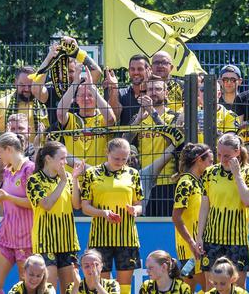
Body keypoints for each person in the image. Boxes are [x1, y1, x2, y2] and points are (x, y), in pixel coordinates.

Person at [77, 139, 144, 293]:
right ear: (107, 153)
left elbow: (139, 204)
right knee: (103, 284)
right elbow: (85, 207)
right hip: (100, 237)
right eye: (116, 158)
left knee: (124, 287)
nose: (120, 162)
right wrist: (103, 213)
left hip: (127, 237)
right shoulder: (91, 173)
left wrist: (135, 210)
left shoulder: (133, 174)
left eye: (124, 159)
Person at [197, 133, 249, 287]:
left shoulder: (248, 171)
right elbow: (204, 206)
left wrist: (237, 175)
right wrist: (199, 236)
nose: (222, 159)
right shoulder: (210, 173)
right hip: (212, 240)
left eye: (227, 155)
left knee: (238, 288)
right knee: (211, 288)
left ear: (237, 152)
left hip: (237, 240)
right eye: (219, 154)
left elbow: (248, 201)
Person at [27, 142, 85, 292]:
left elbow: (77, 205)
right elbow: (46, 204)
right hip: (45, 241)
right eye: (62, 158)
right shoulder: (34, 180)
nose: (65, 162)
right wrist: (63, 181)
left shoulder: (68, 178)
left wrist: (75, 179)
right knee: (48, 288)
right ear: (48, 158)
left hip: (68, 241)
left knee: (70, 288)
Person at [0, 132, 35, 294]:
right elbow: (5, 199)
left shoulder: (30, 169)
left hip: (26, 237)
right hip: (5, 235)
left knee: (26, 286)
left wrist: (7, 196)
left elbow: (35, 203)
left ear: (9, 149)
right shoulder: (7, 170)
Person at [129, 75, 181, 217]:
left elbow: (175, 141)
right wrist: (138, 120)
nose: (153, 92)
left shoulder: (174, 116)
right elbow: (124, 143)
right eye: (150, 89)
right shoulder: (139, 117)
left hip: (167, 182)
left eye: (158, 89)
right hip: (143, 182)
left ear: (166, 93)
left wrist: (153, 113)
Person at [172, 143, 213, 291]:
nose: (212, 165)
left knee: (187, 289)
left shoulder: (199, 182)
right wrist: (191, 242)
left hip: (197, 248)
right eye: (210, 161)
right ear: (199, 160)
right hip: (190, 249)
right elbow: (176, 217)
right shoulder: (186, 182)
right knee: (210, 288)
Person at [57, 68, 116, 166]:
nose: (86, 98)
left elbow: (111, 119)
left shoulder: (102, 119)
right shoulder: (71, 119)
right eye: (82, 95)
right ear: (76, 99)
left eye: (90, 95)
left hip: (97, 176)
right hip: (73, 177)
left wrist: (93, 89)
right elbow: (60, 113)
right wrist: (75, 83)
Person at [0, 66, 48, 148]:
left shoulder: (44, 103)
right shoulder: (2, 103)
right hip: (9, 155)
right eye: (22, 85)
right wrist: (3, 146)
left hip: (38, 155)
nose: (27, 89)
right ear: (15, 83)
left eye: (30, 85)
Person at [111, 54, 151, 126]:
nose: (136, 72)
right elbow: (113, 117)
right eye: (132, 69)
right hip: (125, 137)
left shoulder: (155, 94)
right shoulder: (121, 93)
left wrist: (145, 85)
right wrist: (114, 88)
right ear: (129, 71)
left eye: (140, 69)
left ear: (148, 70)